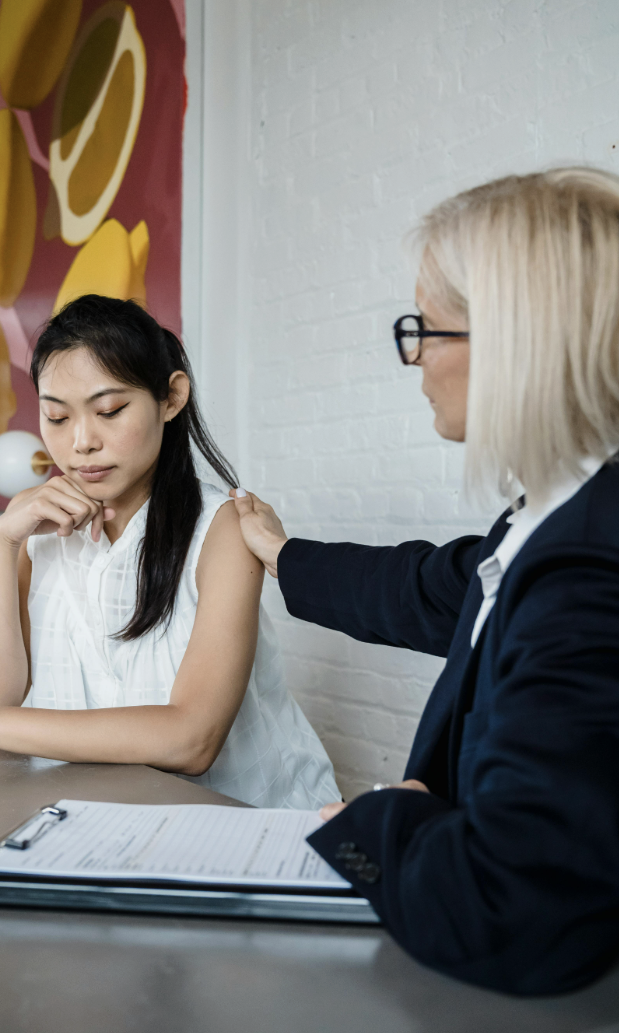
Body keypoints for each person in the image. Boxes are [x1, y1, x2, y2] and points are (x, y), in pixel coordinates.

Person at [231, 168, 619, 995]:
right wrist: (281, 553)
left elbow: (513, 909)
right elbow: (434, 587)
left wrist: (382, 817)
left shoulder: (589, 566)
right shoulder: (552, 516)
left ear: (515, 343)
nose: (415, 355)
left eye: (427, 329)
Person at [0, 295, 340, 810]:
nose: (81, 442)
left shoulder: (223, 529)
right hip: (99, 822)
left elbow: (192, 739)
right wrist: (1, 543)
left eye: (110, 410)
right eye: (56, 416)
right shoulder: (35, 526)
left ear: (171, 397)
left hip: (244, 826)